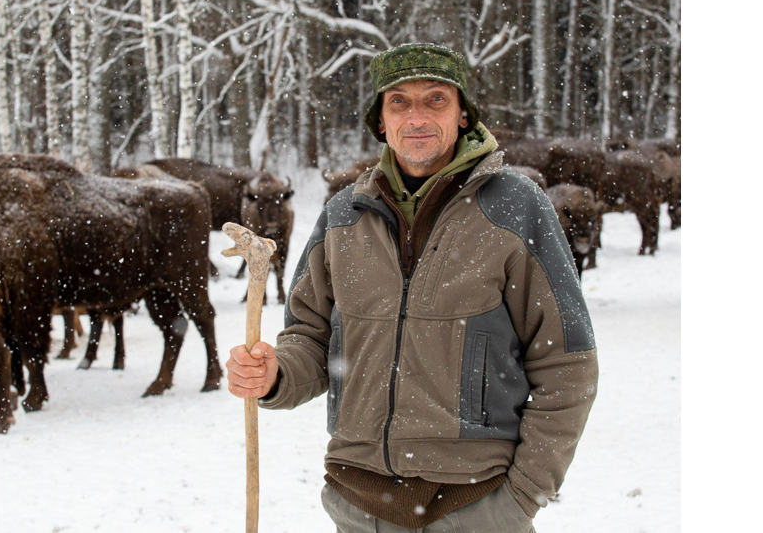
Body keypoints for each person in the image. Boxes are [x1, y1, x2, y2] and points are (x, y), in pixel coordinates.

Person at [225, 43, 598, 532]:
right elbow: (311, 340)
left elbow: (567, 363)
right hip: (358, 507)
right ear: (380, 120)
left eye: (436, 99)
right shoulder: (343, 215)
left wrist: (521, 496)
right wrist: (275, 374)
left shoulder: (516, 208)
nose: (416, 116)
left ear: (463, 114)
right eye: (398, 101)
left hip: (475, 508)